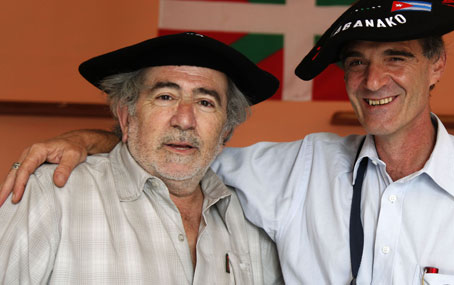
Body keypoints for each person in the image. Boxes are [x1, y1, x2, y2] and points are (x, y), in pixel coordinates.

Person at [3, 0, 454, 284]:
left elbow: (186, 155)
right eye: (356, 63)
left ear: (436, 66)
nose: (373, 81)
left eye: (397, 57)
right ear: (125, 110)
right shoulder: (295, 172)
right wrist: (87, 140)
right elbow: (176, 157)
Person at [0, 32, 283, 284]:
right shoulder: (50, 193)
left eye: (205, 103)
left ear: (226, 131)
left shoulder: (253, 217)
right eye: (165, 97)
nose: (184, 120)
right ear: (126, 117)